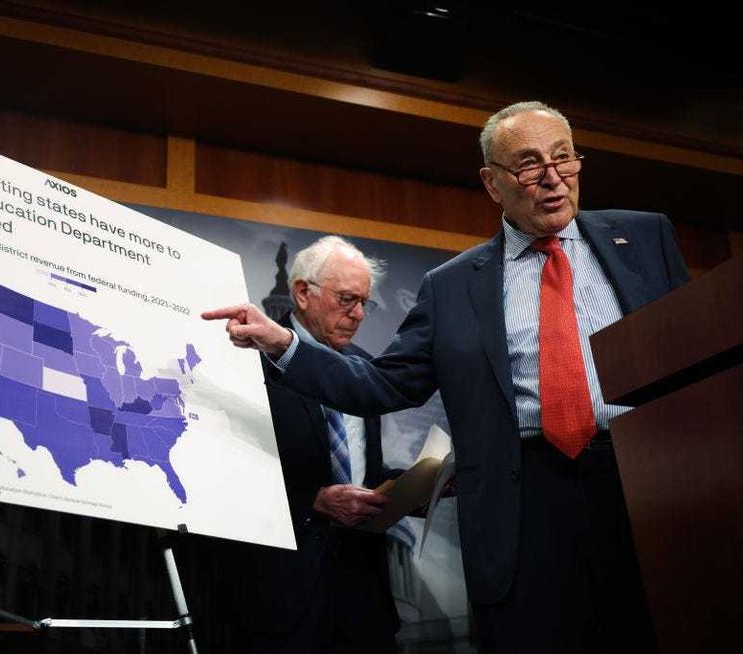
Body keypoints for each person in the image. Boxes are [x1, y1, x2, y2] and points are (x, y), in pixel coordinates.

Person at [205, 101, 690, 653]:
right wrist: (283, 344)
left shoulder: (645, 238)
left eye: (564, 158)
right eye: (529, 164)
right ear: (492, 183)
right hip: (523, 507)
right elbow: (383, 384)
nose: (553, 177)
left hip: (643, 483)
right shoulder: (451, 286)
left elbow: (694, 359)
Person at [226, 235, 401, 654]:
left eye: (365, 303)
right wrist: (314, 501)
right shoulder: (251, 362)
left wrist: (412, 488)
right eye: (347, 299)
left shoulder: (365, 369)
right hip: (283, 594)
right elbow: (227, 473)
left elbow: (361, 469)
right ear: (303, 292)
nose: (358, 314)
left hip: (363, 595)